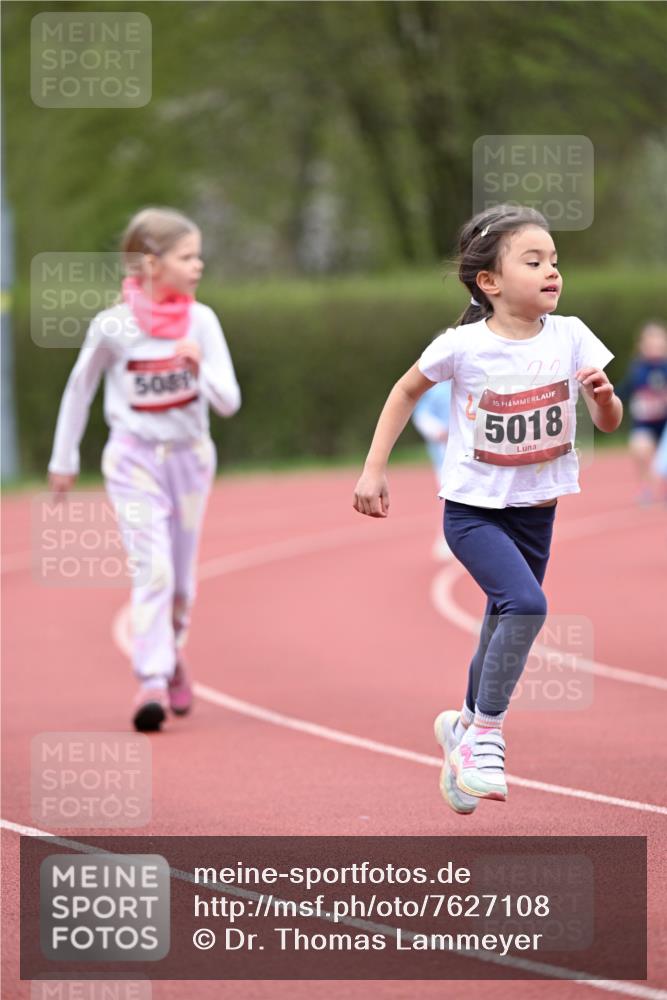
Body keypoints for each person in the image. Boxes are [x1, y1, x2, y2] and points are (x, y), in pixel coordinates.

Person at [353, 204, 622, 814]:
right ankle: (487, 735)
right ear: (490, 282)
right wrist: (374, 468)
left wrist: (604, 401)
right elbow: (404, 391)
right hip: (473, 512)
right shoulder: (463, 346)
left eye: (554, 260)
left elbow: (609, 421)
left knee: (501, 623)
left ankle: (462, 729)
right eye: (534, 261)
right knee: (526, 606)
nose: (552, 271)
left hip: (536, 512)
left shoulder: (573, 335)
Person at [48, 207, 241, 732]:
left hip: (190, 460)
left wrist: (197, 365)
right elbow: (79, 388)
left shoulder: (202, 321)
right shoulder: (114, 326)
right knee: (151, 569)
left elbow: (228, 403)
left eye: (198, 255)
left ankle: (172, 652)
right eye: (187, 256)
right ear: (152, 264)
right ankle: (151, 678)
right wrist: (63, 461)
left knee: (181, 583)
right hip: (133, 461)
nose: (199, 265)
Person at [616, 320, 667, 504]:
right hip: (645, 424)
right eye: (650, 342)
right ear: (642, 345)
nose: (654, 346)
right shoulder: (637, 369)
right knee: (639, 447)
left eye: (658, 341)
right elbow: (621, 392)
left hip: (665, 426)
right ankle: (646, 487)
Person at [411, 381, 454, 559]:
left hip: (477, 455)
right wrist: (439, 431)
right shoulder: (437, 389)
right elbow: (421, 414)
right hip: (444, 455)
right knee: (449, 497)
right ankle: (446, 538)